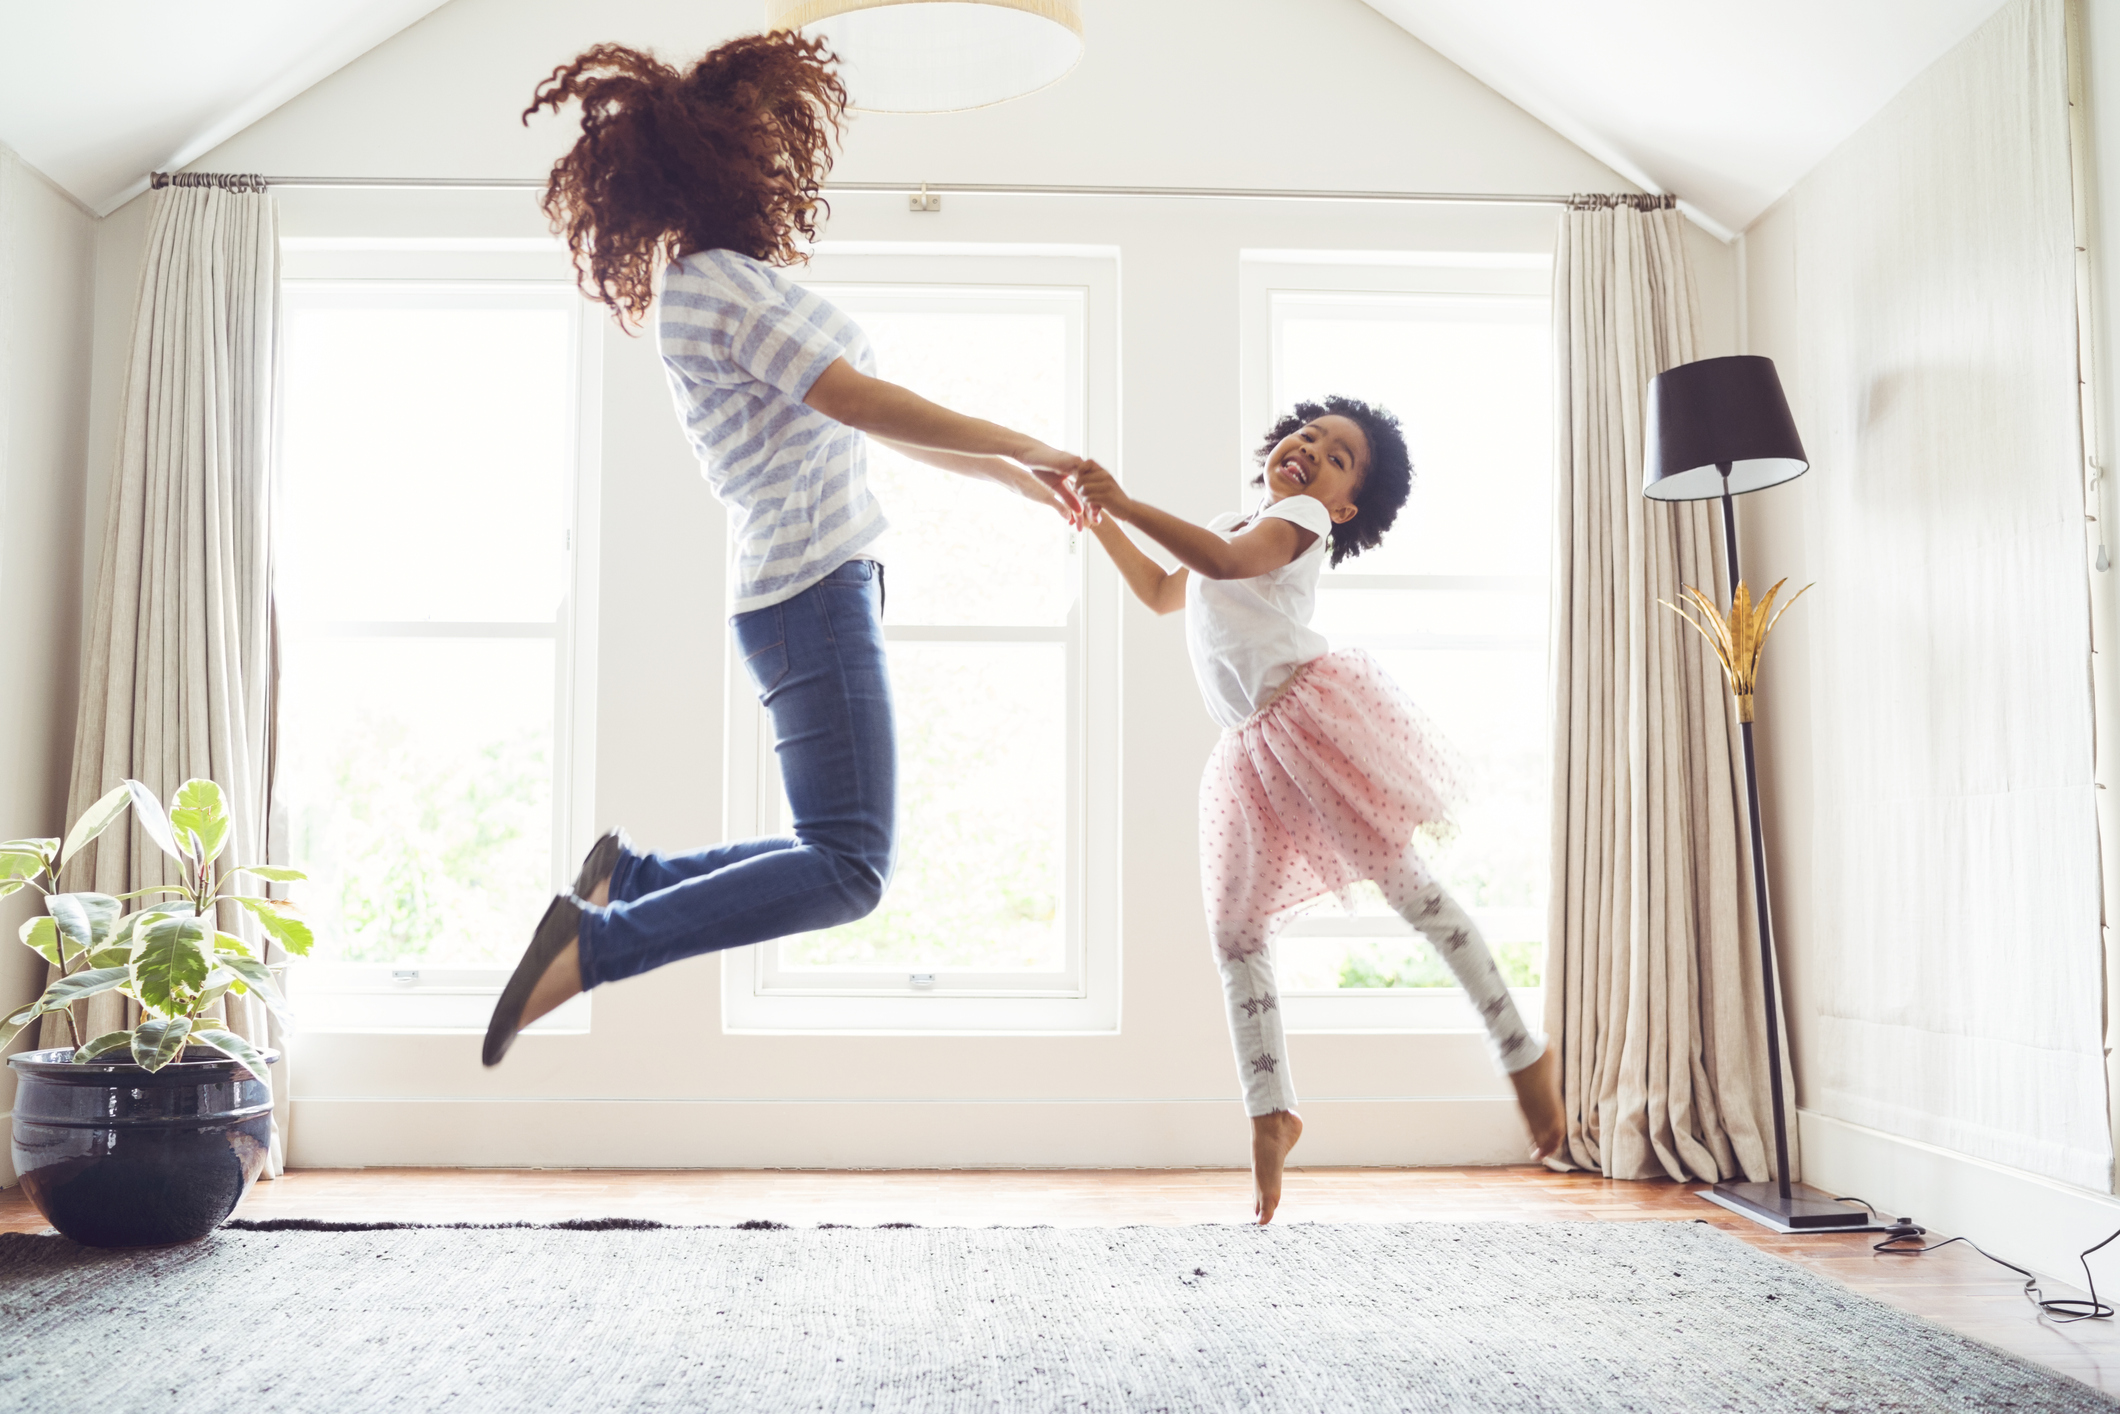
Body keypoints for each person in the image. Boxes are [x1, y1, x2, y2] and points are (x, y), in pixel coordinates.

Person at [483, 34, 1086, 1064]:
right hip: (810, 590)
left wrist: (1014, 477)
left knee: (840, 851)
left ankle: (629, 883)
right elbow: (854, 395)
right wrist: (1020, 437)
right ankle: (602, 938)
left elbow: (861, 421)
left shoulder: (718, 284)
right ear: (714, 157)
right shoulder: (717, 286)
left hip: (801, 587)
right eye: (762, 138)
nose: (779, 158)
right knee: (851, 867)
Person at [1070, 397, 1565, 1223]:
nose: (1311, 450)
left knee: (1412, 892)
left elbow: (1227, 566)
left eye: (1337, 457)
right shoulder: (1236, 520)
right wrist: (1100, 522)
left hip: (1312, 723)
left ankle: (1522, 1052)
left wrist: (1123, 499)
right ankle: (1272, 1109)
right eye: (1308, 434)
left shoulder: (1297, 520)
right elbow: (1164, 591)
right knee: (1235, 933)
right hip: (1253, 749)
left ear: (1342, 508)